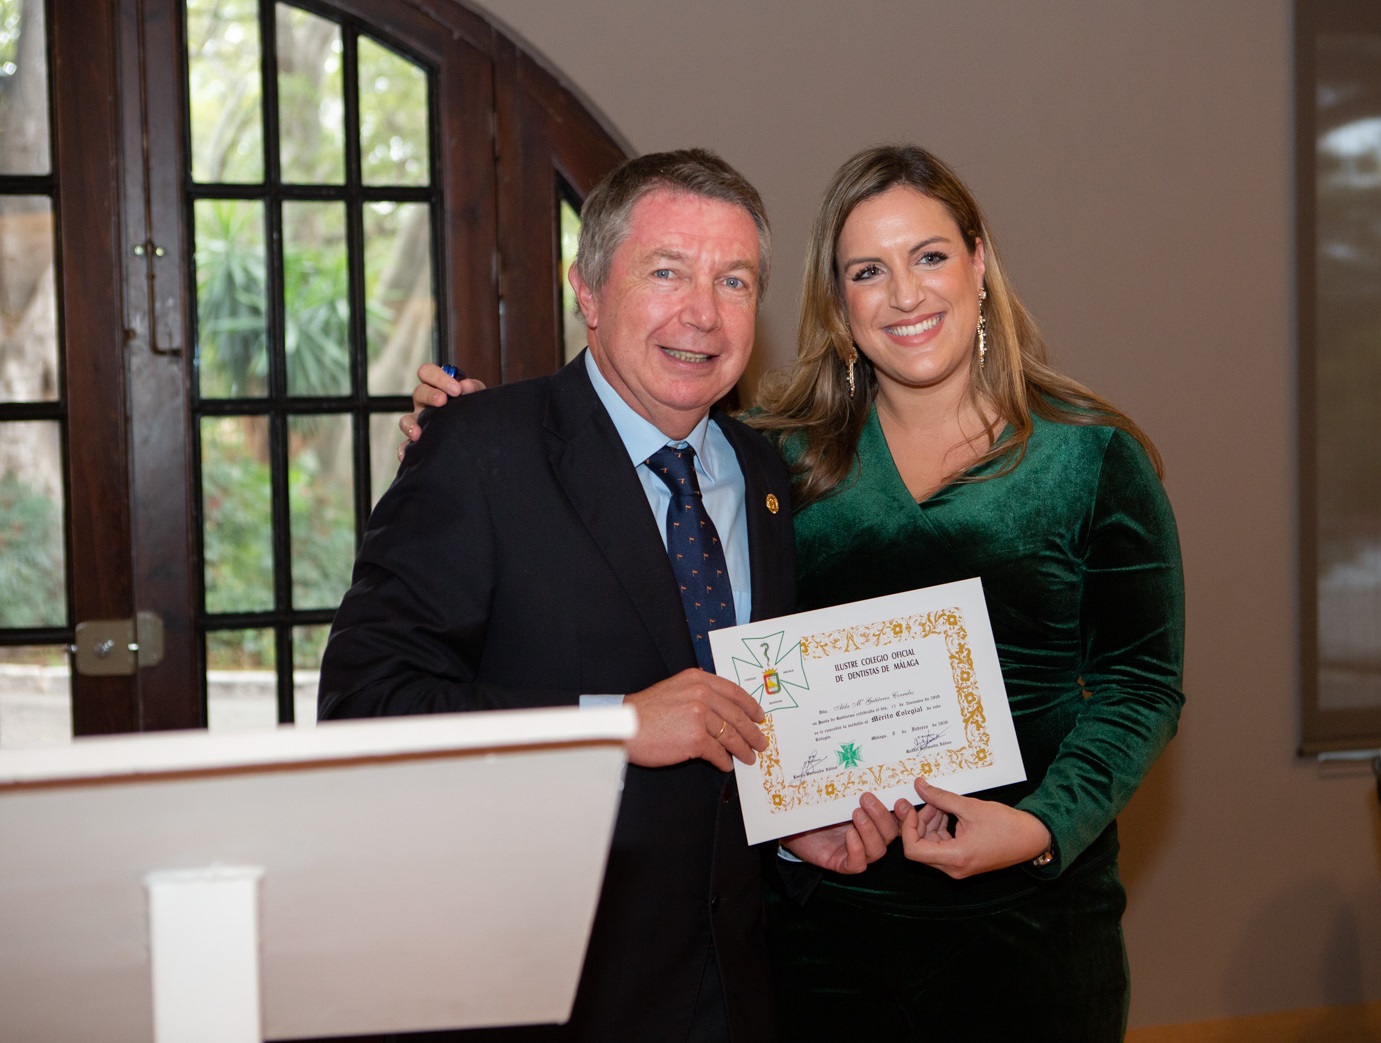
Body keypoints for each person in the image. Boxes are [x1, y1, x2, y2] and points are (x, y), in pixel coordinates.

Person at [408, 144, 1185, 1041]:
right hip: (821, 920)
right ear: (838, 302)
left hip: (1031, 920)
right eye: (868, 270)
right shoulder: (777, 463)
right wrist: (480, 436)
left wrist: (1038, 828)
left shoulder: (1091, 458)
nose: (904, 293)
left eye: (929, 256)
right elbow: (622, 491)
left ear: (978, 264)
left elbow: (1140, 686)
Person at [320, 148, 895, 1043]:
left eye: (733, 280)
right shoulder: (477, 452)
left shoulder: (761, 474)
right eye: (666, 272)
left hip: (731, 995)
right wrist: (616, 724)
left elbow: (745, 724)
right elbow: (366, 710)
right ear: (586, 290)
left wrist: (790, 830)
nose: (701, 313)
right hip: (537, 998)